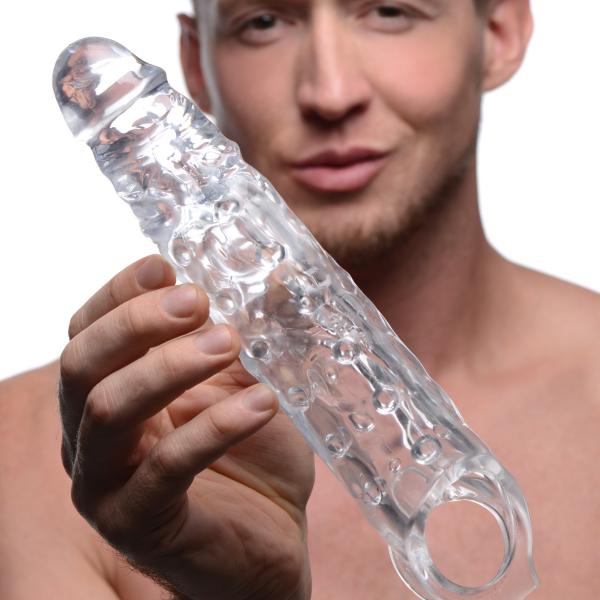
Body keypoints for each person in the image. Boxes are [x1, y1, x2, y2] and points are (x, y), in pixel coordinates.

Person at [1, 0, 599, 598]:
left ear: (499, 31)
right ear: (197, 62)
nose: (331, 94)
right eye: (262, 22)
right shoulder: (31, 466)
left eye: (390, 10)